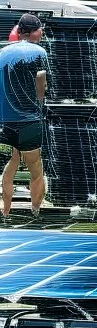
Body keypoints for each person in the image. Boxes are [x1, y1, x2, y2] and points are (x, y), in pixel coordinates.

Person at [0, 14, 47, 221]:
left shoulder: (1, 52)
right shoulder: (39, 52)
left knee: (10, 164)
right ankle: (35, 211)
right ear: (34, 31)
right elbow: (41, 83)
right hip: (29, 120)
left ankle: (6, 211)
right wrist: (38, 102)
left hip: (4, 121)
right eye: (41, 29)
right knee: (35, 169)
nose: (42, 32)